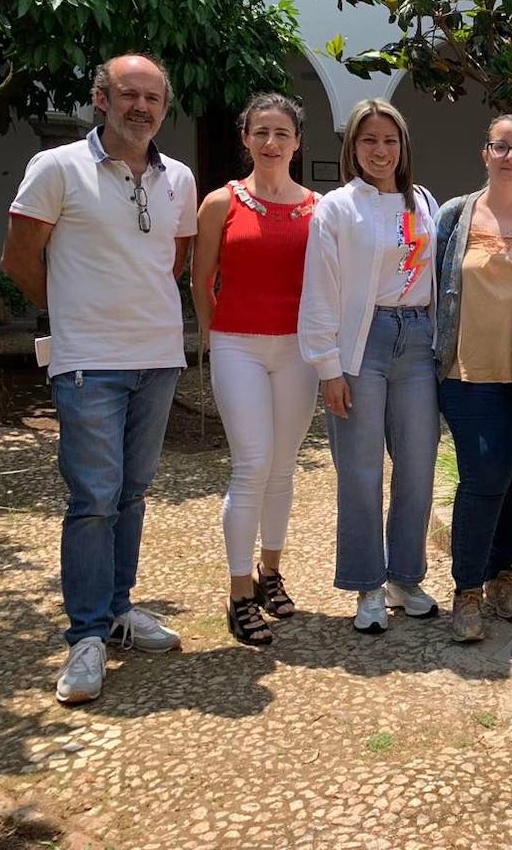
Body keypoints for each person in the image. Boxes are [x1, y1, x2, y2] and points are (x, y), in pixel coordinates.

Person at [3, 55, 196, 704]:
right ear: (101, 99)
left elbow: (171, 262)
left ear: (163, 107)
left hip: (158, 358)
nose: (141, 106)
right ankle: (85, 634)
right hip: (88, 361)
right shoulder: (56, 167)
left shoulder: (179, 178)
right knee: (93, 497)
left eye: (153, 97)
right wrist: (76, 314)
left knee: (132, 492)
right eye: (128, 94)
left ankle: (118, 610)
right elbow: (19, 259)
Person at [298, 99, 441, 632]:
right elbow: (320, 289)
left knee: (418, 466)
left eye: (389, 140)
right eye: (369, 140)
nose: (380, 151)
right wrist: (328, 367)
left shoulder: (422, 201)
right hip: (363, 343)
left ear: (403, 146)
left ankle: (405, 577)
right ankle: (367, 585)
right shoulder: (337, 208)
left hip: (417, 340)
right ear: (352, 147)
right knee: (360, 472)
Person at [192, 93, 319, 645]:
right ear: (245, 138)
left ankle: (271, 571)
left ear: (297, 142)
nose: (271, 142)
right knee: (252, 464)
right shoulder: (220, 202)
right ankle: (239, 591)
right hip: (238, 345)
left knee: (283, 466)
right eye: (261, 132)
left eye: (282, 133)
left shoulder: (318, 207)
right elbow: (201, 279)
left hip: (297, 350)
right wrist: (214, 335)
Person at [434, 115, 512, 642]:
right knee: (486, 474)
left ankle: (502, 577)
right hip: (469, 372)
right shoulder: (453, 217)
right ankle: (467, 589)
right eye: (500, 147)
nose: (510, 156)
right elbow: (428, 286)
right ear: (485, 154)